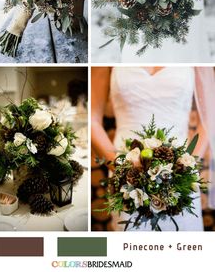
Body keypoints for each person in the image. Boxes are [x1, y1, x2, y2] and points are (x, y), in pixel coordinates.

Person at [91, 66, 215, 231]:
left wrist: (184, 170)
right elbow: (92, 119)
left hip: (180, 178)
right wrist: (123, 171)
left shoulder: (197, 48)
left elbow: (210, 117)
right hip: (125, 178)